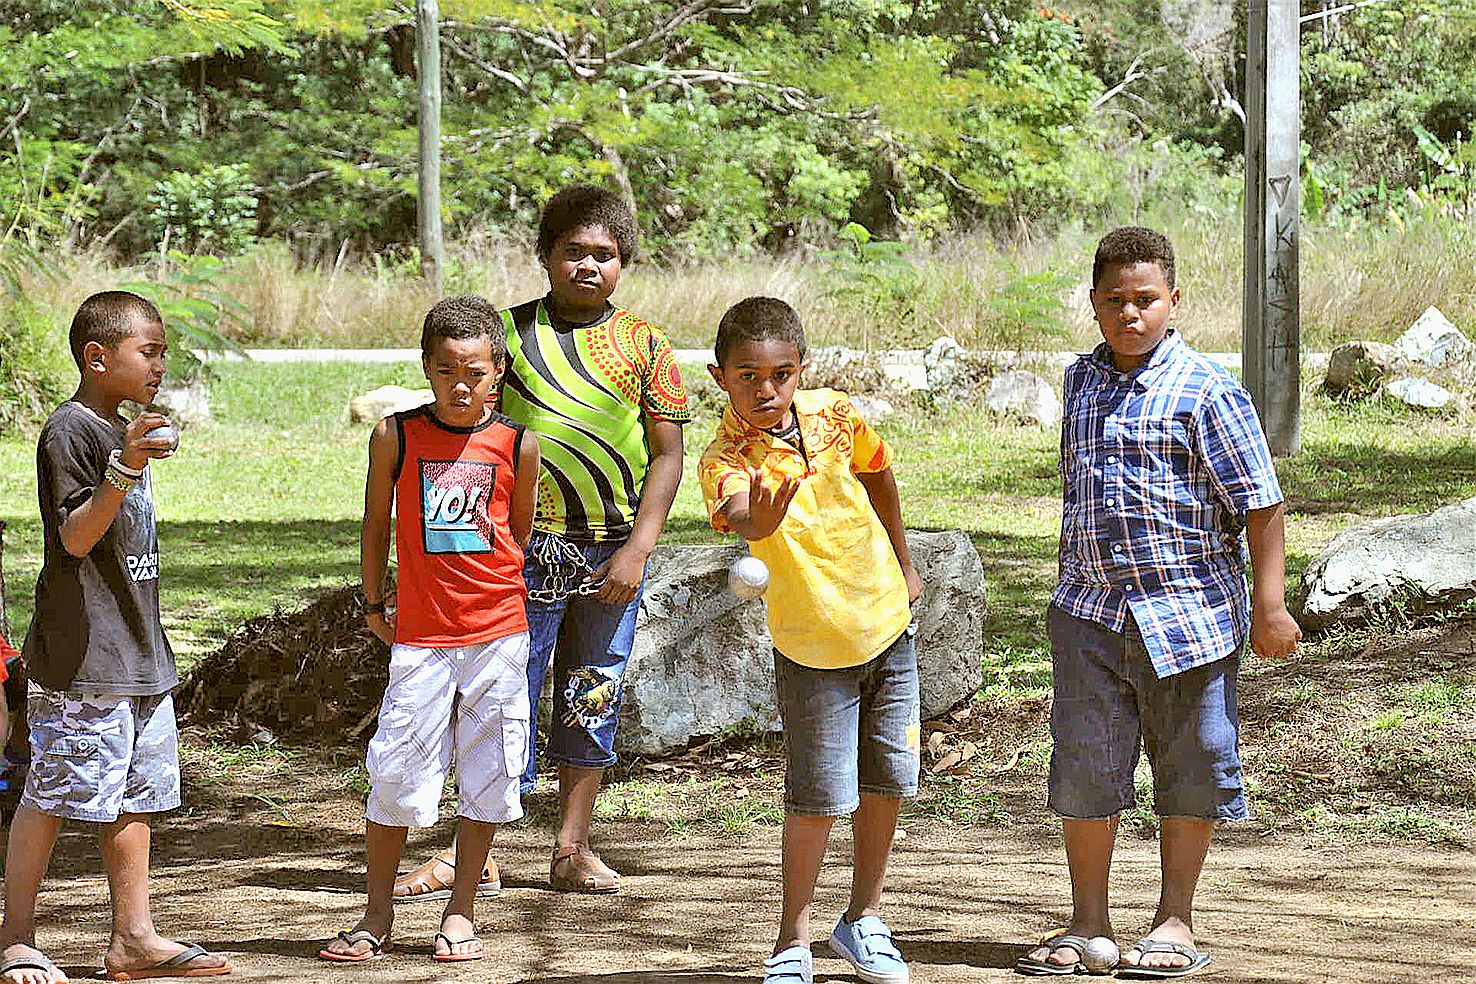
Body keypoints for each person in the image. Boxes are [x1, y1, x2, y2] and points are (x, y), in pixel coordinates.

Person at [1016, 227, 1301, 979]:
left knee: (1192, 764)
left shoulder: (1209, 390)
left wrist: (1270, 606)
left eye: (1146, 299)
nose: (1130, 313)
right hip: (1088, 612)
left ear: (1173, 300)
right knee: (1086, 767)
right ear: (1094, 303)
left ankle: (1175, 920)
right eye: (1115, 300)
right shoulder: (1081, 383)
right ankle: (1088, 922)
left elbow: (1261, 503)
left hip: (1189, 617)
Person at [395, 185, 689, 899]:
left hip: (610, 553)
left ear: (625, 261)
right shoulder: (503, 337)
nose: (588, 266)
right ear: (545, 255)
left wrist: (638, 550)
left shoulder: (647, 345)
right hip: (516, 556)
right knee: (501, 695)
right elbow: (465, 433)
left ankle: (571, 846)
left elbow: (668, 455)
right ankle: (474, 853)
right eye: (573, 251)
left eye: (605, 254)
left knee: (593, 690)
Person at [0, 291, 232, 984]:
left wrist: (130, 457)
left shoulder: (122, 429)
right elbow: (75, 537)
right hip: (84, 655)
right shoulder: (70, 431)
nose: (160, 365)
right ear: (97, 358)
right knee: (51, 793)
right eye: (149, 352)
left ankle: (133, 936)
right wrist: (124, 469)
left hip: (137, 651)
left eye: (163, 353)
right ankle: (15, 937)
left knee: (136, 796)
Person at [699, 297, 923, 984]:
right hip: (811, 646)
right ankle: (790, 941)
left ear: (801, 368)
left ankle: (863, 919)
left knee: (886, 783)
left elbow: (879, 475)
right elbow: (739, 512)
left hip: (886, 625)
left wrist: (905, 562)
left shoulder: (836, 413)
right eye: (747, 377)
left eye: (781, 374)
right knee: (818, 798)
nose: (765, 390)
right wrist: (760, 520)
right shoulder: (725, 456)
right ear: (719, 377)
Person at [319, 296, 541, 964]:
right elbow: (375, 524)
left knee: (490, 773)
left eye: (475, 372)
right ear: (426, 368)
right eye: (446, 371)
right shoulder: (397, 434)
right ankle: (376, 912)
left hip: (498, 634)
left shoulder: (518, 443)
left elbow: (516, 532)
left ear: (498, 372)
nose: (460, 385)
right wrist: (373, 604)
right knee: (395, 773)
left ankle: (462, 910)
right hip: (421, 638)